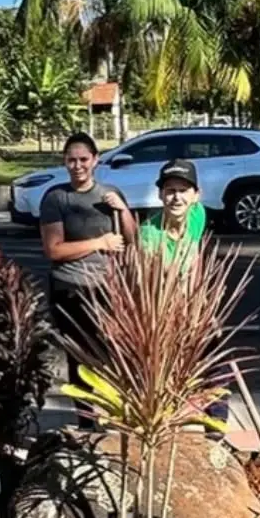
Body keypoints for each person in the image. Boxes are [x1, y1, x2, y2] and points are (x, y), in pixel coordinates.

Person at [40, 131, 137, 429]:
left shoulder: (110, 194)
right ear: (64, 162)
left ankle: (117, 418)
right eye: (71, 160)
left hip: (109, 289)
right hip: (72, 289)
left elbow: (131, 240)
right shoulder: (57, 198)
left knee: (116, 355)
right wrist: (99, 243)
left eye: (83, 159)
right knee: (81, 359)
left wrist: (123, 211)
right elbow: (54, 250)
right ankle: (86, 422)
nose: (78, 165)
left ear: (95, 161)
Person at [138, 158, 228, 430]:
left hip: (196, 309)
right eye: (170, 191)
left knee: (217, 362)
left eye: (183, 190)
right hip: (164, 315)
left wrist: (202, 307)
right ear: (160, 194)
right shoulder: (148, 235)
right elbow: (150, 285)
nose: (176, 197)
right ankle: (167, 424)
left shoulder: (196, 216)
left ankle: (216, 425)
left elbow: (197, 261)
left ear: (195, 195)